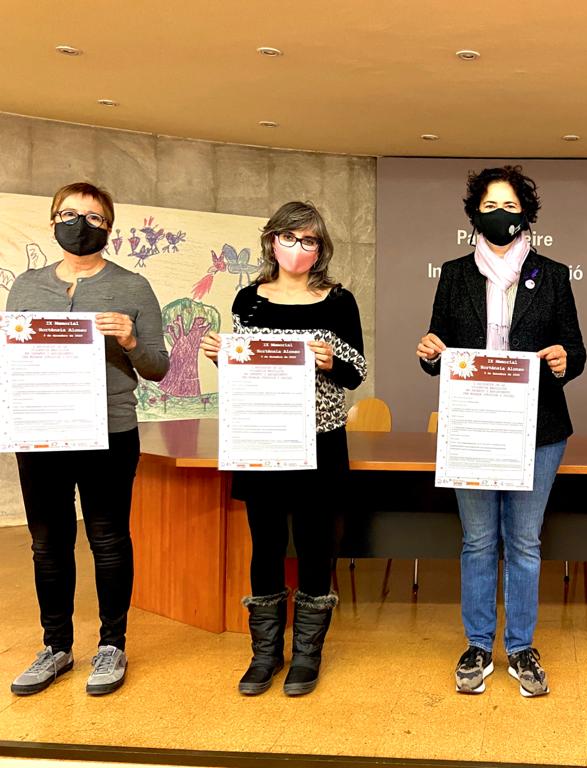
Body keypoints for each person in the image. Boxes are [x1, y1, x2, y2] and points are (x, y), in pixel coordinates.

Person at [416, 166, 585, 697]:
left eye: (510, 206)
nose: (500, 215)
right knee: (478, 541)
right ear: (475, 214)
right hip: (472, 426)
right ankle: (476, 643)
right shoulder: (455, 274)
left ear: (525, 214)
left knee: (525, 542)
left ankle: (520, 646)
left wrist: (563, 359)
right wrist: (430, 352)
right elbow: (437, 348)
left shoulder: (552, 275)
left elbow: (575, 351)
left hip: (540, 429)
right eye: (490, 206)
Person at [7, 182, 169, 696]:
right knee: (47, 543)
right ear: (53, 220)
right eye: (70, 214)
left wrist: (130, 339)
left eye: (94, 217)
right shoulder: (26, 287)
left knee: (108, 539)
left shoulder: (133, 287)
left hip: (110, 430)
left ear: (109, 228)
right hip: (42, 431)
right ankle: (55, 647)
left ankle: (112, 645)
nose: (80, 224)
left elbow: (158, 367)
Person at [201, 201, 366, 696]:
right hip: (262, 438)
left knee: (316, 545)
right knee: (266, 544)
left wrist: (331, 360)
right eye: (289, 238)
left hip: (319, 442)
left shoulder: (339, 301)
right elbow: (248, 371)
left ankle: (308, 654)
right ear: (272, 241)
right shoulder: (248, 299)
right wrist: (223, 357)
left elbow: (356, 372)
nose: (298, 248)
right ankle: (265, 654)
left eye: (309, 240)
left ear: (321, 248)